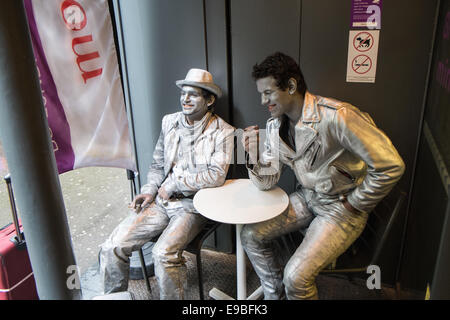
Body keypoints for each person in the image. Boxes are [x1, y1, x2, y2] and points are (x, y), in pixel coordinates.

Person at [241, 52, 405, 300]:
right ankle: (276, 295)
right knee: (250, 235)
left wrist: (355, 203)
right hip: (307, 198)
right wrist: (252, 153)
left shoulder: (337, 116)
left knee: (296, 277)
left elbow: (391, 165)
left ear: (292, 86)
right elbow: (267, 181)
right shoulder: (275, 126)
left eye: (268, 92)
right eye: (261, 94)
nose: (264, 101)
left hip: (341, 208)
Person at [99, 68, 234, 299]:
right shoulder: (169, 122)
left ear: (209, 100)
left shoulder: (224, 131)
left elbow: (216, 175)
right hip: (161, 202)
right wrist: (149, 191)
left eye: (193, 95)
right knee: (111, 246)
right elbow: (157, 164)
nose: (185, 99)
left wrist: (174, 184)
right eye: (183, 93)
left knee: (163, 254)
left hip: (193, 206)